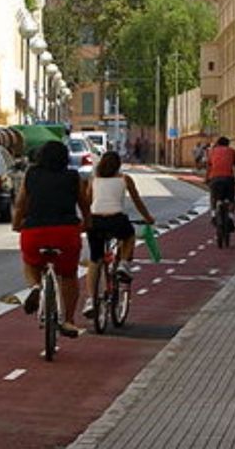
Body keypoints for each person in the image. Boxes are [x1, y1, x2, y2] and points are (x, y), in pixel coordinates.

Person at [12, 141, 91, 337]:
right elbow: (85, 206)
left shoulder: (31, 175)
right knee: (69, 275)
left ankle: (36, 286)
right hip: (66, 233)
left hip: (34, 232)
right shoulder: (74, 177)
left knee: (30, 262)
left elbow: (21, 204)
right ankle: (70, 321)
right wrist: (86, 224)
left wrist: (16, 224)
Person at [82, 151, 155, 317]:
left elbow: (87, 203)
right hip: (116, 220)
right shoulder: (125, 179)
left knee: (95, 260)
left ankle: (90, 300)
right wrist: (148, 218)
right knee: (128, 236)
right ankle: (123, 264)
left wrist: (85, 222)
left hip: (96, 222)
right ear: (118, 166)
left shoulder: (94, 180)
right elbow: (138, 202)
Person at [205, 136, 235, 229]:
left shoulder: (212, 152)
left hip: (215, 178)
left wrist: (206, 179)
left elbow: (209, 167)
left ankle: (213, 215)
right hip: (228, 178)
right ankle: (230, 218)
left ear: (218, 143)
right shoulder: (232, 151)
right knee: (232, 200)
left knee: (213, 198)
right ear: (228, 144)